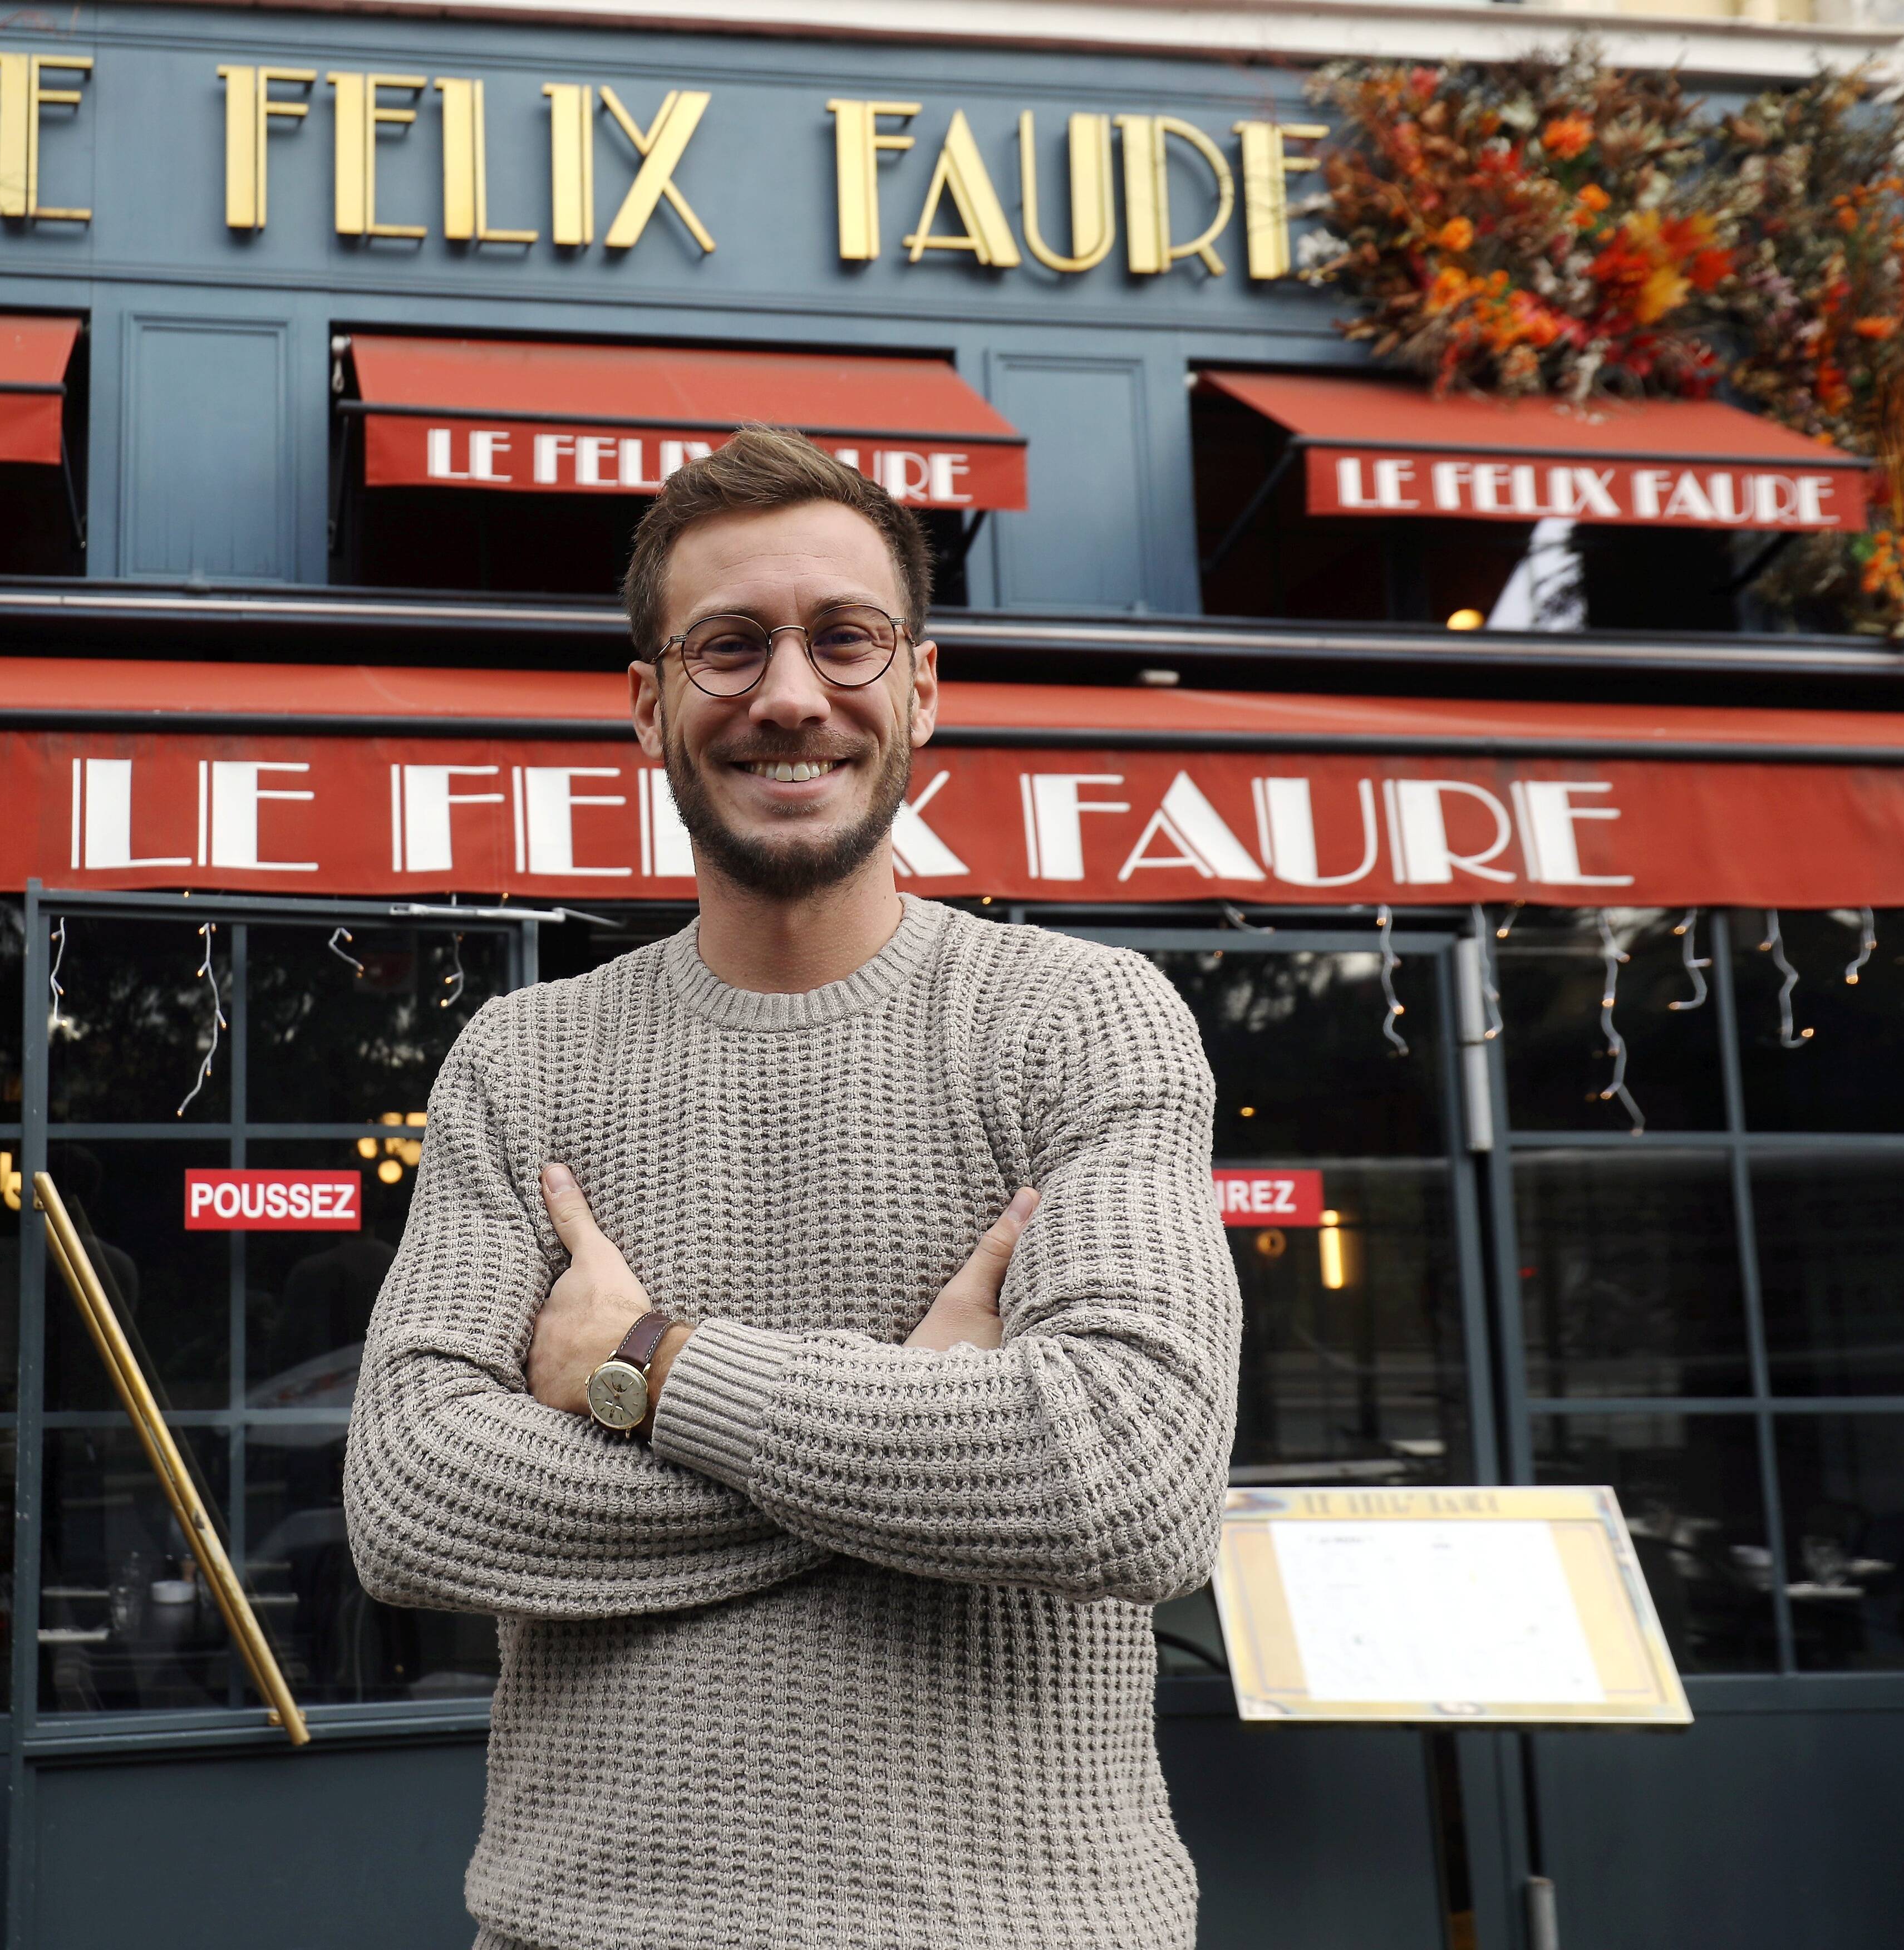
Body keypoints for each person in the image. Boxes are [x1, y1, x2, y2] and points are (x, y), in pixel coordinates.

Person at [343, 426, 1241, 1949]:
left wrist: (648, 1370)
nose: (789, 695)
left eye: (845, 639)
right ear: (647, 705)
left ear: (924, 692)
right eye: (730, 647)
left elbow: (1130, 1482)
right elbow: (413, 1503)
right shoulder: (522, 1056)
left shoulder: (1084, 1020)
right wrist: (915, 1437)